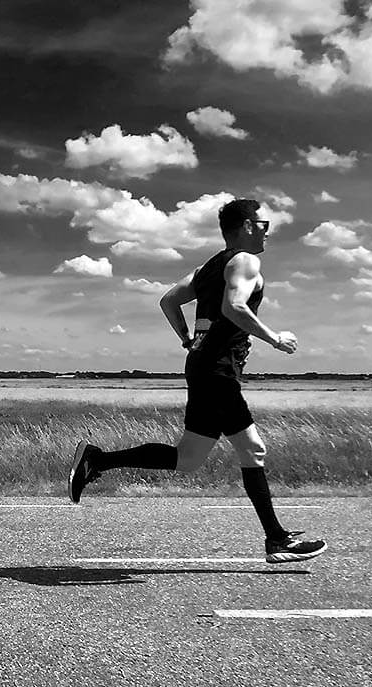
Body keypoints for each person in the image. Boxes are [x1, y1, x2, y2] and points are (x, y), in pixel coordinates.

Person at [68, 197, 327, 564]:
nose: (268, 232)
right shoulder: (245, 261)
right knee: (253, 449)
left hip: (202, 366)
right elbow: (233, 307)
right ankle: (276, 540)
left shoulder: (208, 268)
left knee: (188, 459)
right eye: (264, 224)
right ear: (247, 226)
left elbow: (168, 301)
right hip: (218, 371)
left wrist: (188, 339)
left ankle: (97, 460)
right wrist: (275, 338)